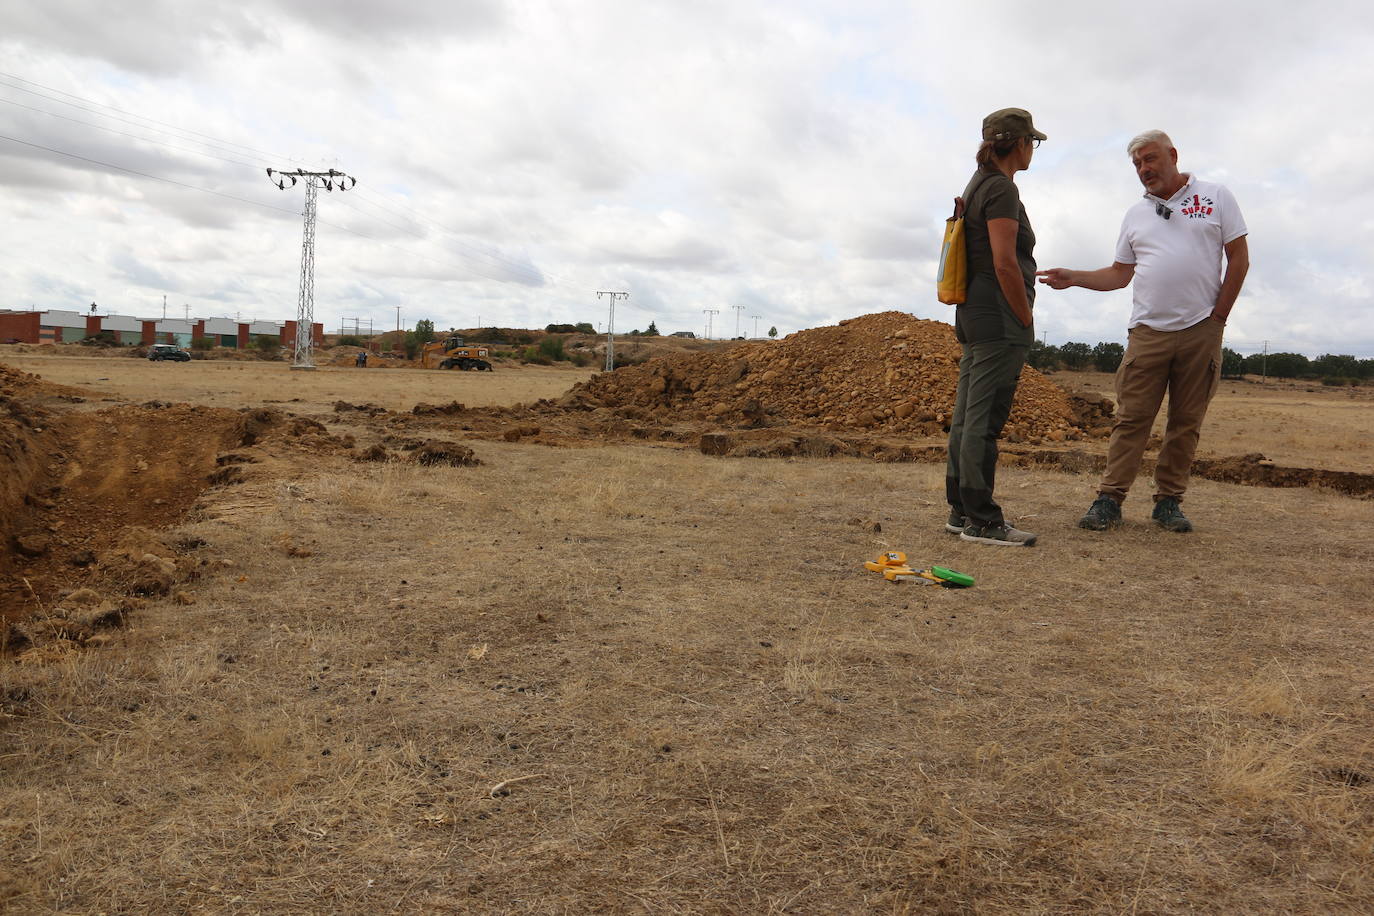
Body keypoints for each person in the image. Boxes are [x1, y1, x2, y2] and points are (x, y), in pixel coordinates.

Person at [1037, 130, 1249, 532]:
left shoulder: (1216, 196)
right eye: (1137, 164)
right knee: (1131, 419)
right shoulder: (1136, 215)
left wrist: (1218, 318)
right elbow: (1119, 275)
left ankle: (1169, 502)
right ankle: (1109, 500)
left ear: (1172, 155)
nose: (1144, 169)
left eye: (1150, 159)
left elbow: (1239, 259)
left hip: (1201, 329)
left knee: (1185, 423)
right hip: (1147, 332)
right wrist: (1075, 277)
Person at [944, 108, 1045, 547]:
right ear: (1020, 144)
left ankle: (961, 509)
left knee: (968, 417)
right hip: (998, 319)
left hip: (973, 313)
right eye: (1033, 142)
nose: (1032, 150)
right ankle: (982, 520)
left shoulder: (978, 183)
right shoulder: (1001, 189)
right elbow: (1005, 262)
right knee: (983, 420)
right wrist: (1024, 316)